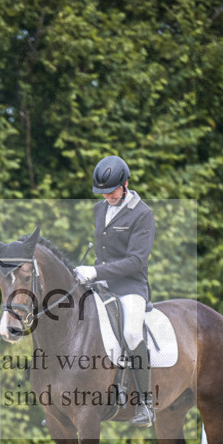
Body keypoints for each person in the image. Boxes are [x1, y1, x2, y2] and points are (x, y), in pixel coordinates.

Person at [74, 155, 156, 427]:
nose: (107, 196)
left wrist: (96, 272)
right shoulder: (100, 209)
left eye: (112, 190)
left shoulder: (142, 214)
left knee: (132, 332)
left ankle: (145, 403)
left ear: (126, 184)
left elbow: (136, 261)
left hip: (131, 285)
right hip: (102, 282)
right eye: (103, 192)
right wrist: (87, 271)